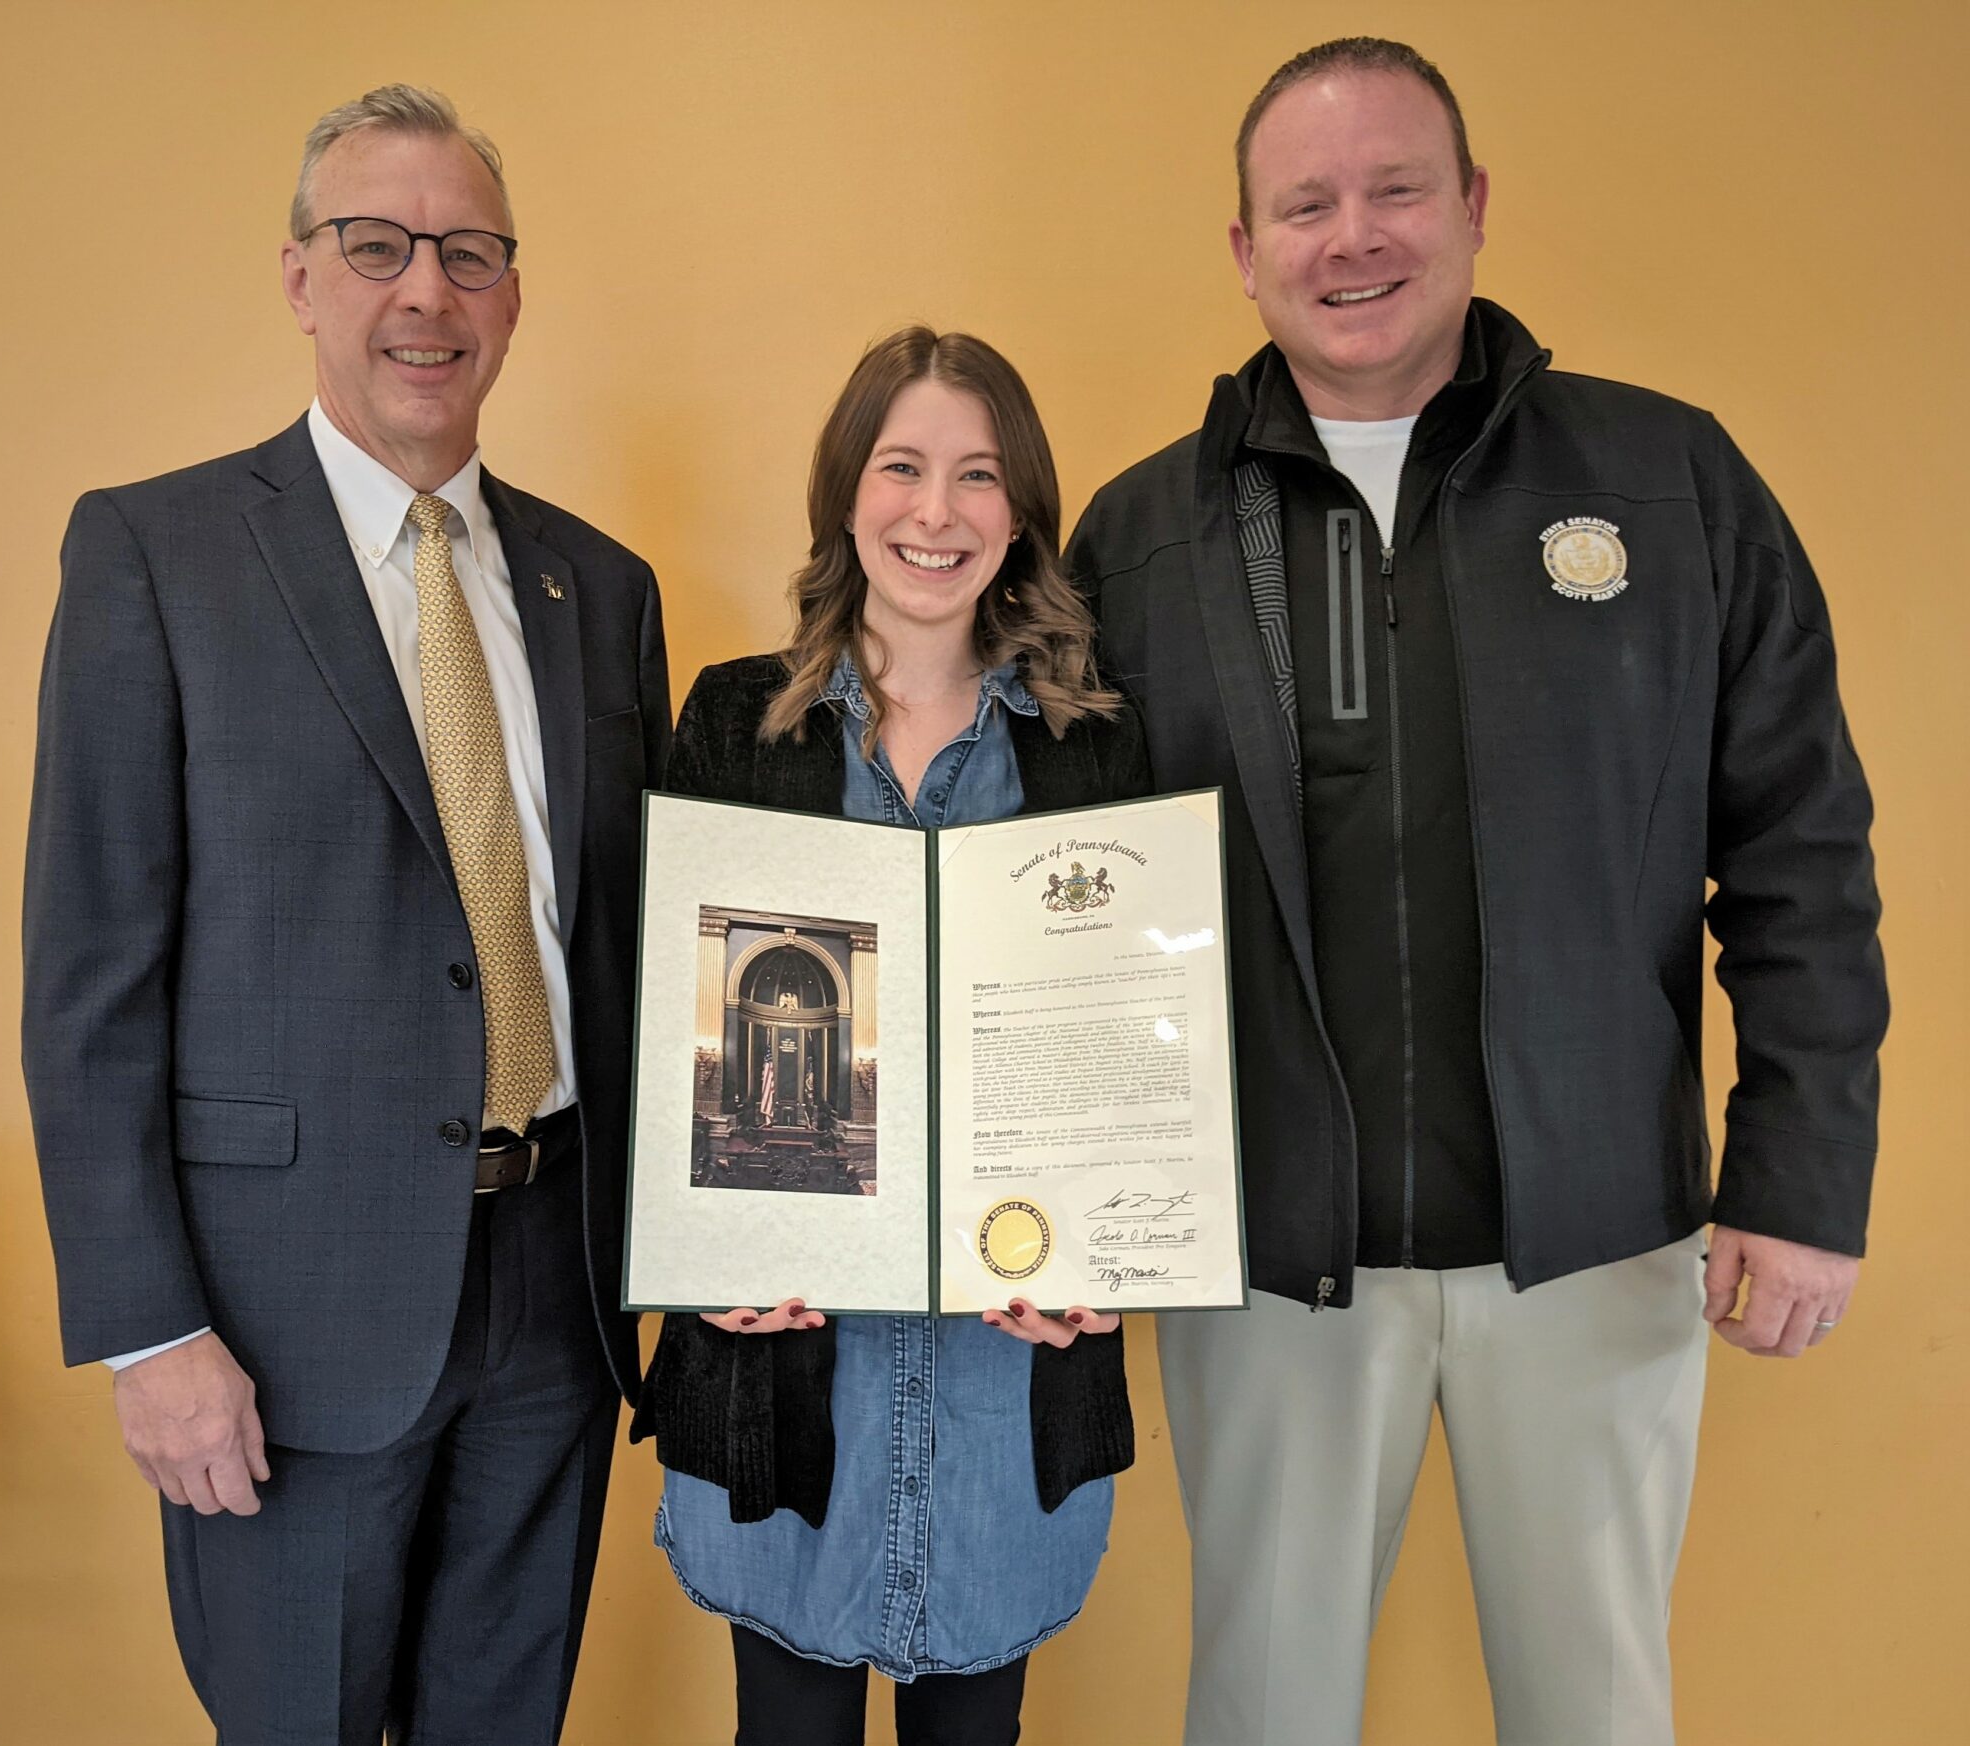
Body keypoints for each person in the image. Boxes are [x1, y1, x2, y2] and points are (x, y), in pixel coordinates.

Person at [1065, 38, 1887, 1746]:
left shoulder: (1669, 484)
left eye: (1395, 189)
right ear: (1242, 247)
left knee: (1593, 1713)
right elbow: (1057, 905)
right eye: (1305, 203)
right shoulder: (1143, 540)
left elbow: (1801, 844)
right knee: (1263, 1712)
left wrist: (1801, 1176)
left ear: (1476, 209)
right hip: (1275, 1261)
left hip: (1592, 1240)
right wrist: (1061, 1205)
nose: (1352, 236)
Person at [21, 85, 669, 1743]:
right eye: (376, 246)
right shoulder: (154, 555)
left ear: (514, 295)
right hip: (279, 1326)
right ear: (300, 277)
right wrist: (148, 1328)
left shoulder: (598, 588)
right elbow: (89, 980)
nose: (425, 293)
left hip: (555, 1287)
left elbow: (637, 946)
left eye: (467, 253)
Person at [631, 327, 1145, 1746]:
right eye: (902, 466)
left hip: (1009, 1383)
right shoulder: (739, 723)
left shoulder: (1094, 743)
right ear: (846, 493)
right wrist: (690, 1251)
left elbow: (1131, 1061)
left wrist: (1112, 1257)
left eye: (977, 476)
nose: (936, 511)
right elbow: (658, 1031)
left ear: (1022, 507)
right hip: (787, 1371)